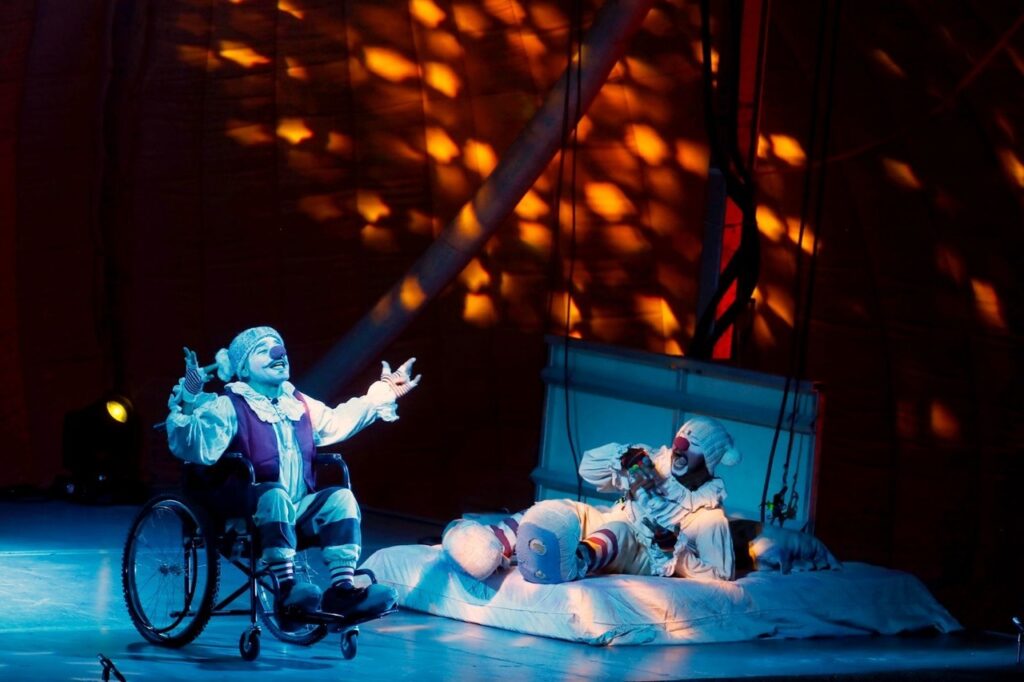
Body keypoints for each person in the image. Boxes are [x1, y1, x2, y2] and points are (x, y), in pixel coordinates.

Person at [165, 325, 420, 621]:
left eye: (279, 347)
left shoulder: (297, 403)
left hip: (293, 511)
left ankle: (342, 590)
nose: (278, 353)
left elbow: (338, 421)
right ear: (243, 369)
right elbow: (194, 445)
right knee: (274, 494)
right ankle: (286, 592)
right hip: (245, 516)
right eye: (263, 351)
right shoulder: (229, 405)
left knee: (341, 499)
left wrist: (385, 392)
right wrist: (189, 396)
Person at [442, 416, 740, 584]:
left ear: (709, 459)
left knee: (618, 533)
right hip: (616, 516)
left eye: (693, 444)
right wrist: (623, 458)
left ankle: (571, 562)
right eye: (682, 437)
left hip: (645, 555)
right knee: (567, 510)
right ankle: (489, 541)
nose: (680, 445)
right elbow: (587, 470)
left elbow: (721, 574)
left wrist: (674, 551)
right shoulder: (653, 462)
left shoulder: (708, 515)